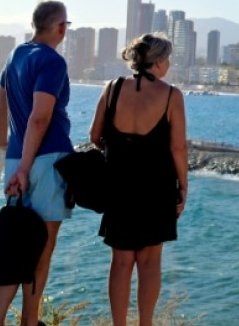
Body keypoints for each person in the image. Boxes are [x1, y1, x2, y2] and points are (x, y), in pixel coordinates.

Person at [90, 33, 188, 326]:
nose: (168, 64)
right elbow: (178, 147)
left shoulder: (112, 89)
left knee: (120, 263)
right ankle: (145, 324)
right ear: (158, 61)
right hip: (156, 188)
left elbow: (94, 136)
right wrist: (183, 186)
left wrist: (119, 149)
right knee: (149, 262)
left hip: (119, 185)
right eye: (167, 59)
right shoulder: (171, 95)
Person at [0, 0, 74, 326]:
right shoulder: (52, 60)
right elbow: (41, 118)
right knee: (42, 247)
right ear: (61, 28)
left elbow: (2, 107)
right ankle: (29, 320)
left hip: (16, 158)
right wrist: (26, 168)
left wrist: (7, 155)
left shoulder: (14, 55)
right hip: (46, 160)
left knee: (14, 244)